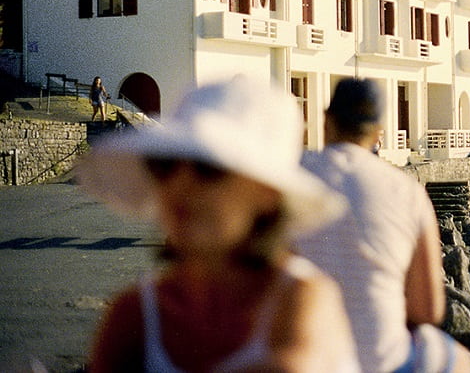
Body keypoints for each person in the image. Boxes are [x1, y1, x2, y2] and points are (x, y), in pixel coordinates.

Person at [79, 76, 360, 373]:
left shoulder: (301, 301)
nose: (179, 186)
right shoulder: (136, 314)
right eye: (165, 165)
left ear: (268, 193)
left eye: (208, 168)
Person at [299, 78, 470, 373]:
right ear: (378, 131)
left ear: (327, 121)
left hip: (299, 358)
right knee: (457, 359)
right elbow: (428, 310)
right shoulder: (408, 191)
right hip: (382, 363)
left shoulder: (290, 175)